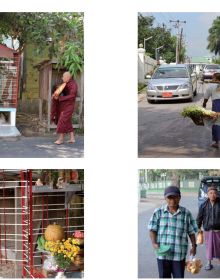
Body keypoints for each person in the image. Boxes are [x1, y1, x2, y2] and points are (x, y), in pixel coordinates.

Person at [148, 186, 198, 278]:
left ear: (179, 197)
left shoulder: (186, 213)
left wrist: (194, 246)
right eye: (169, 197)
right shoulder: (158, 212)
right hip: (162, 254)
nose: (172, 200)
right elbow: (152, 229)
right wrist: (154, 243)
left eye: (175, 197)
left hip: (179, 254)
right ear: (165, 198)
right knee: (163, 277)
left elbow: (191, 232)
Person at [196, 186, 220, 270]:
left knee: (219, 246)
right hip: (208, 230)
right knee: (209, 247)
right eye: (211, 193)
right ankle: (209, 263)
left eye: (214, 193)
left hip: (218, 230)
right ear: (207, 194)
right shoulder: (203, 205)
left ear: (217, 194)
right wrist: (198, 227)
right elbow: (199, 217)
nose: (213, 195)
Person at [51, 72, 77, 145]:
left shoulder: (73, 85)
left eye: (63, 77)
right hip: (65, 105)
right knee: (67, 121)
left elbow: (72, 95)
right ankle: (72, 138)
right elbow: (59, 91)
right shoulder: (66, 84)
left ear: (68, 77)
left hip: (69, 106)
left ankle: (61, 139)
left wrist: (60, 98)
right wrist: (55, 94)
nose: (62, 78)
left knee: (62, 120)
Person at [203, 73, 220, 148]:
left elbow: (206, 96)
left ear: (216, 79)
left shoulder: (211, 85)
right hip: (217, 103)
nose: (211, 79)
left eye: (213, 78)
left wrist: (204, 103)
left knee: (216, 122)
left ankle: (216, 142)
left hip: (217, 104)